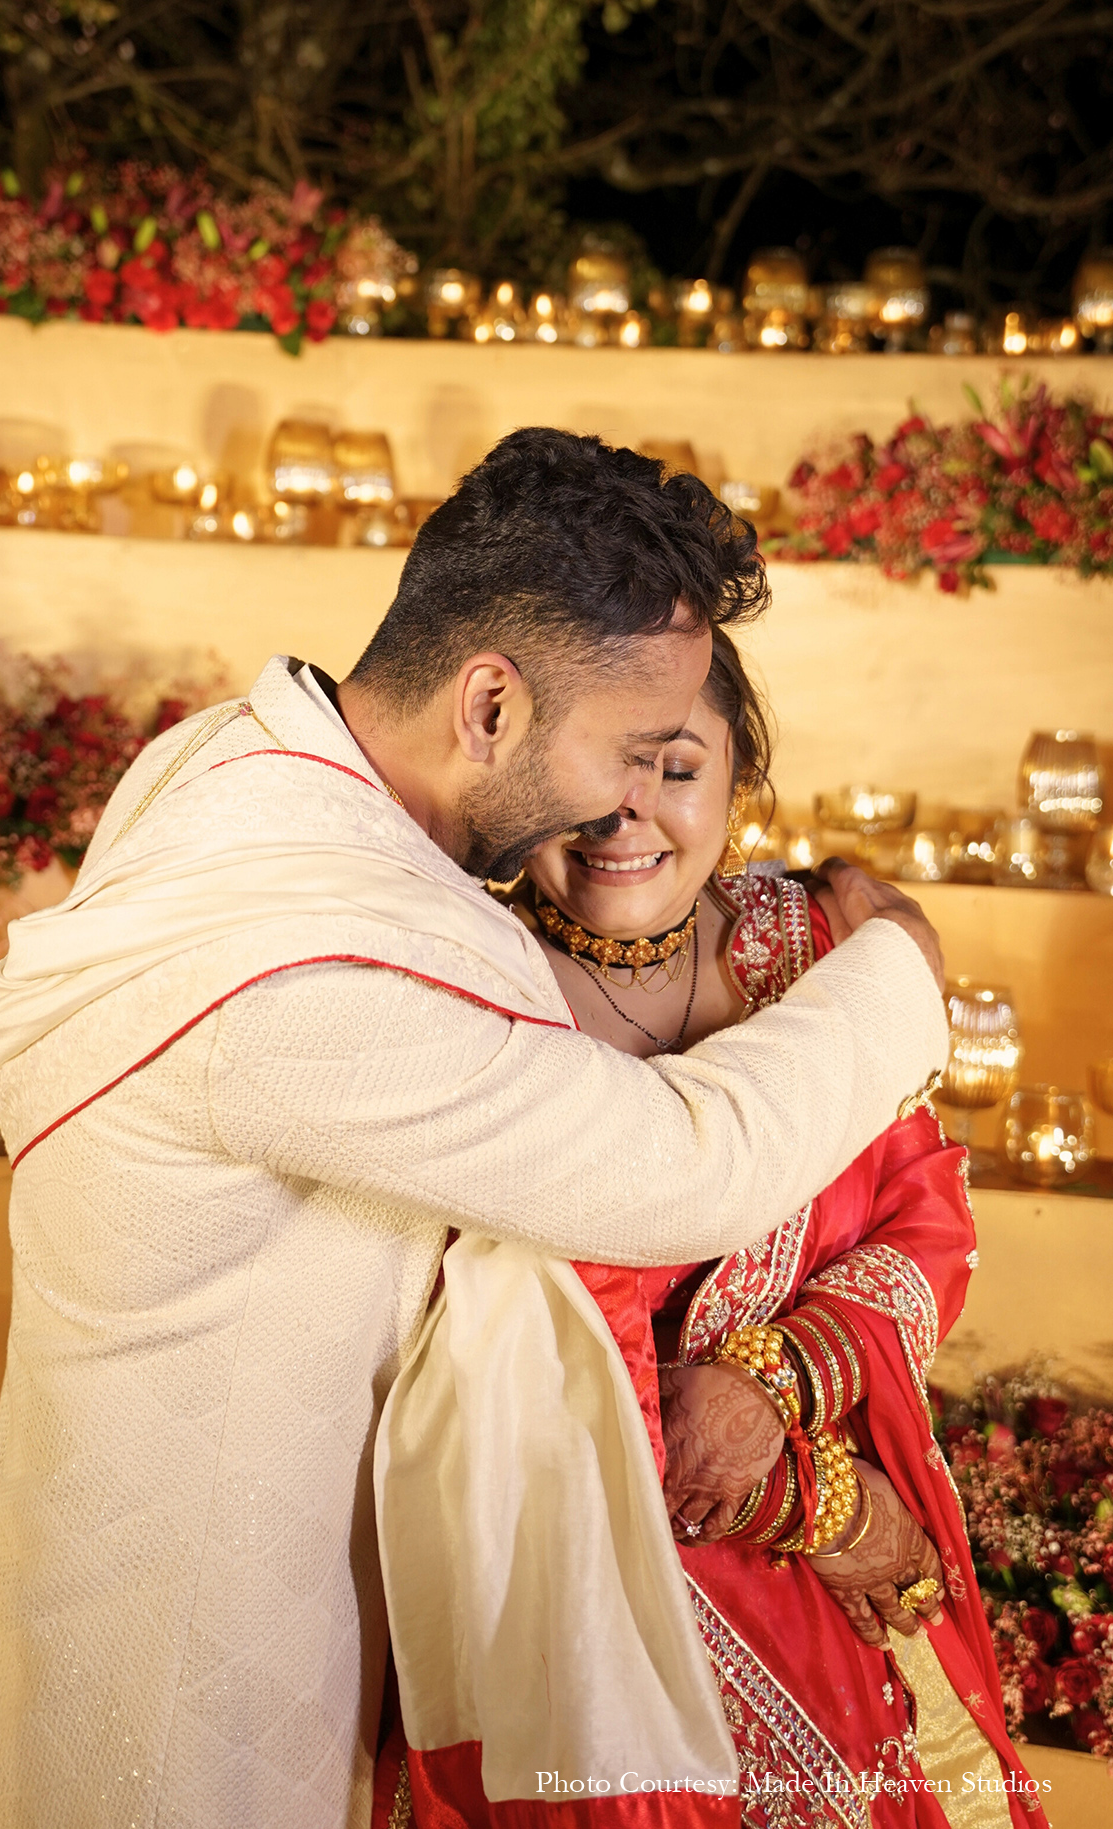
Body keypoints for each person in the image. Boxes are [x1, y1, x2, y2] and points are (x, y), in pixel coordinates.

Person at [0, 431, 948, 1829]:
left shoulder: (237, 763)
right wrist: (899, 968)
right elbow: (681, 1169)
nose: (618, 807)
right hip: (185, 1691)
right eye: (621, 750)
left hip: (217, 1593)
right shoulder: (309, 972)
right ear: (487, 702)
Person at [375, 629, 1045, 1829]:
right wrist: (803, 1500)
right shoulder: (458, 989)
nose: (620, 814)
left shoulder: (821, 957)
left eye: (674, 767)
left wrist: (775, 1382)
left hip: (827, 1599)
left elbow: (923, 1219)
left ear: (741, 783)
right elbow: (446, 1351)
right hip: (565, 1602)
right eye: (588, 763)